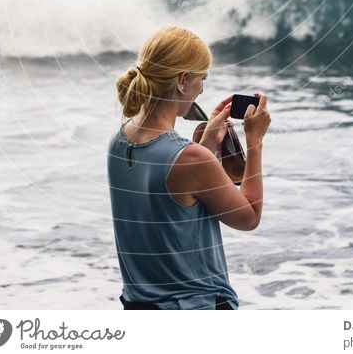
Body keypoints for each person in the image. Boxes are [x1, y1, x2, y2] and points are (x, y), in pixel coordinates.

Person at [107, 24, 271, 310]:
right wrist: (254, 140)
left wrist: (206, 145)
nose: (202, 88)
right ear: (183, 80)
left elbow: (173, 201)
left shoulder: (119, 141)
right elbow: (249, 217)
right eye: (201, 79)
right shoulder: (190, 159)